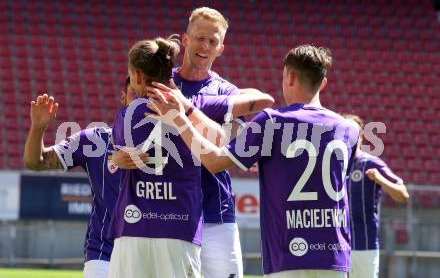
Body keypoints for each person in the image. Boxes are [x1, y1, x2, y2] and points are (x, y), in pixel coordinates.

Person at [147, 44, 360, 277]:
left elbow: (214, 161)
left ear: (289, 77)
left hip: (288, 255)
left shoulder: (272, 121)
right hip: (336, 256)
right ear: (323, 83)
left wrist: (180, 118)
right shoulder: (349, 129)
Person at [108, 36, 273, 278]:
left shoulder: (126, 116)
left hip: (134, 228)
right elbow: (261, 102)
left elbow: (115, 150)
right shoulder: (196, 104)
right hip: (180, 227)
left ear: (139, 77)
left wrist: (115, 158)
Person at [23, 78, 137, 278]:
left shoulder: (169, 146)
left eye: (147, 96)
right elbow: (36, 162)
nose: (139, 102)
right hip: (103, 253)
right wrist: (38, 128)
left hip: (151, 251)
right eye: (134, 94)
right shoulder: (93, 141)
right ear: (123, 98)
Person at [173, 7, 246, 277]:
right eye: (200, 38)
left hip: (216, 212)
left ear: (220, 49)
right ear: (185, 39)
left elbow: (229, 142)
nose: (205, 46)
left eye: (213, 41)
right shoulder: (162, 84)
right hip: (169, 213)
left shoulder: (227, 93)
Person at [343, 114, 409, 278]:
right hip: (337, 248)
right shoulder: (334, 166)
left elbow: (403, 195)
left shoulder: (371, 163)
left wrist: (380, 180)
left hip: (364, 246)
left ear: (361, 136)